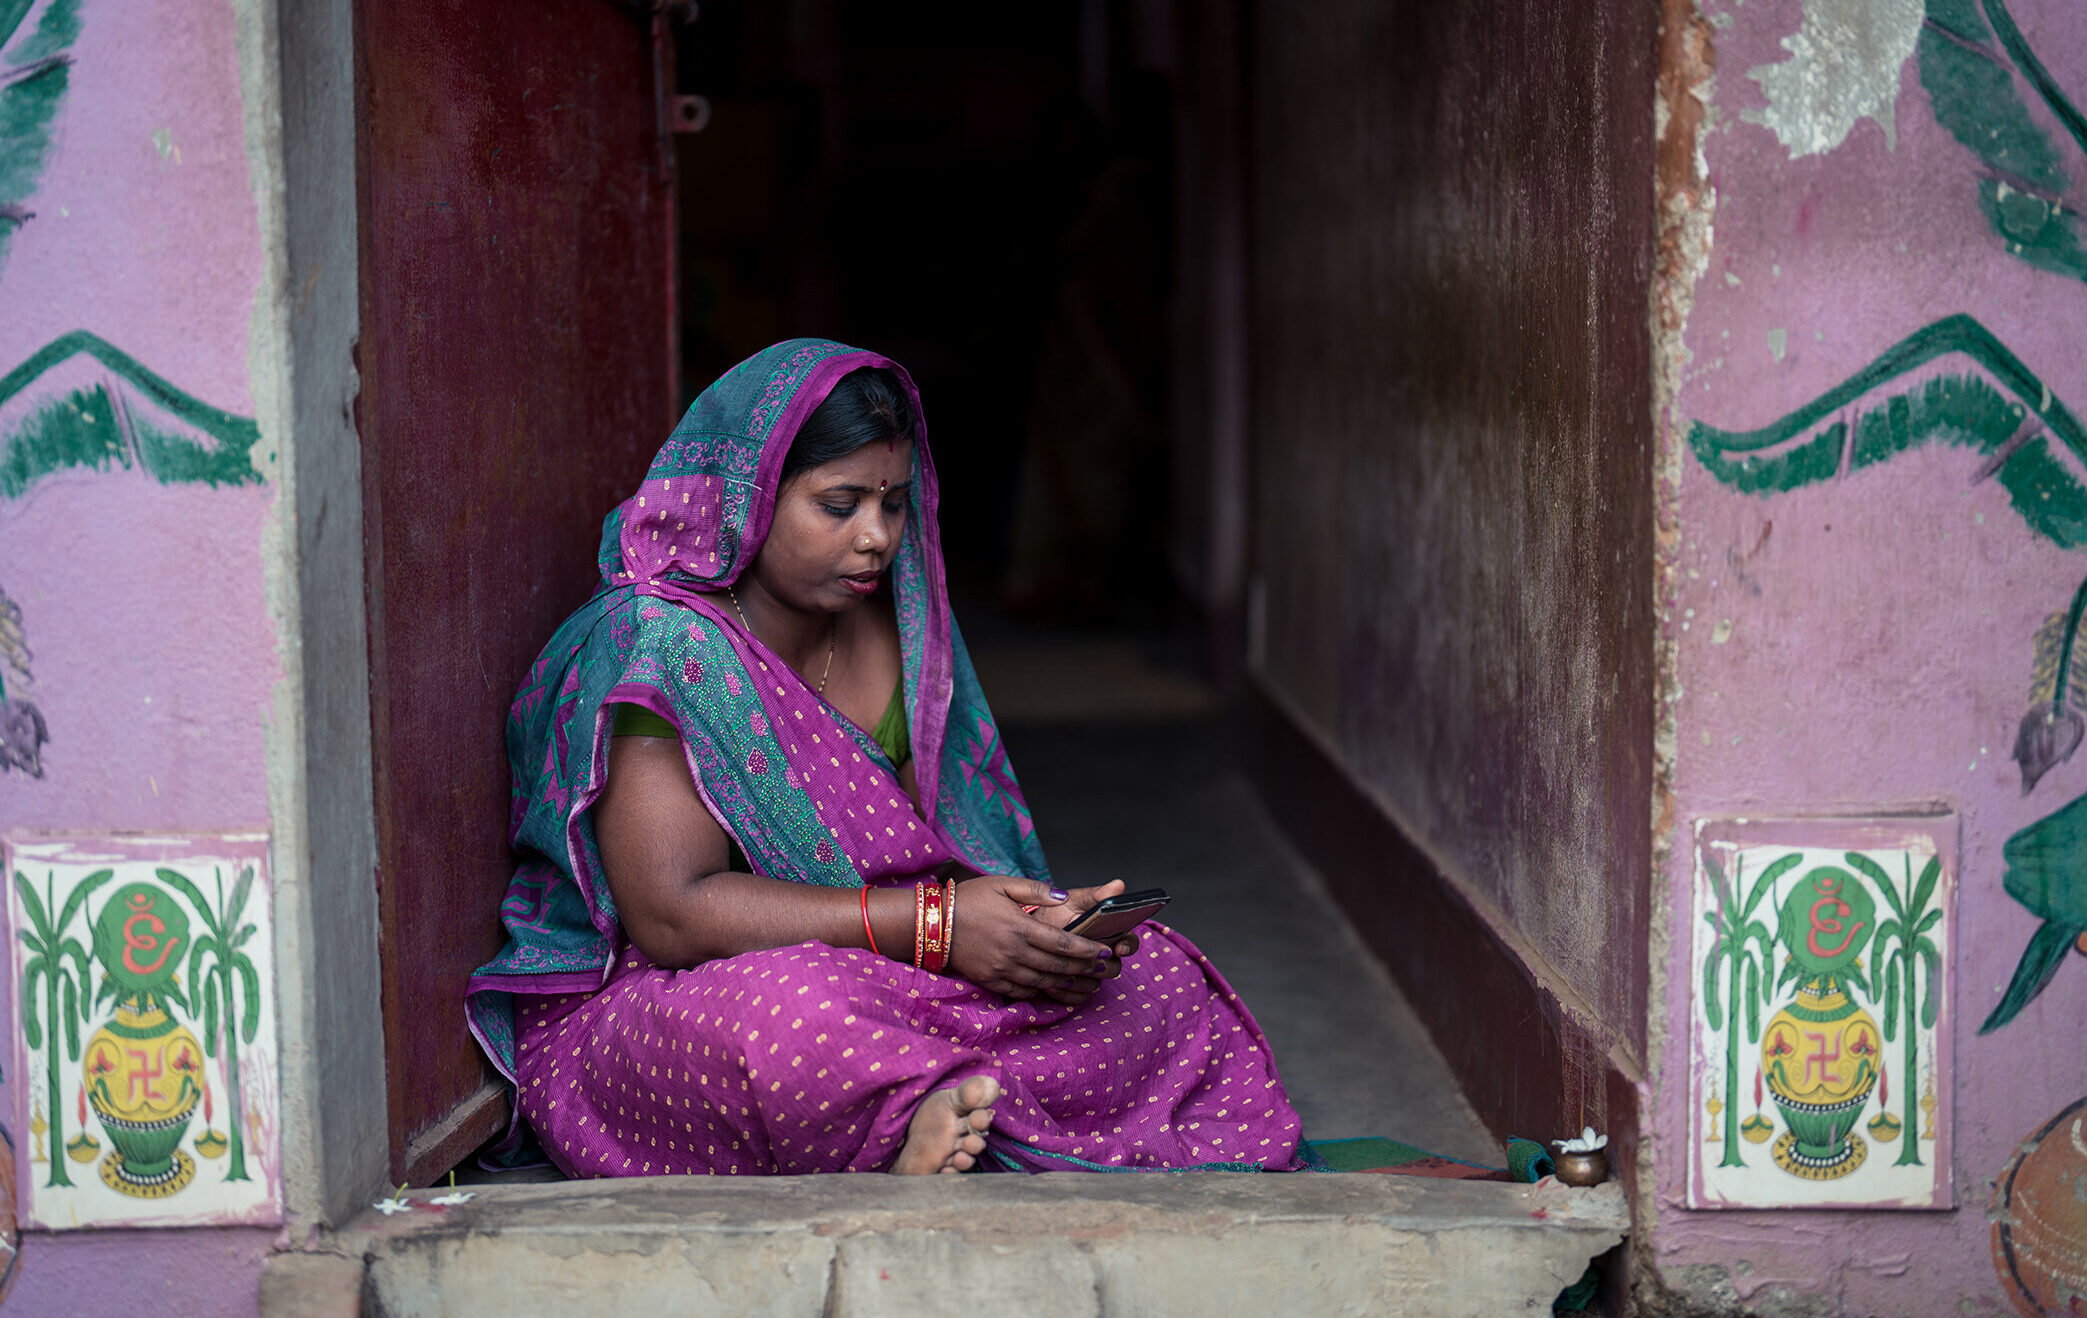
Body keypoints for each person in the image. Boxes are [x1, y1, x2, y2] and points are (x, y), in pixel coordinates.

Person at [467, 339, 1303, 1176]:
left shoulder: (895, 626)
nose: (875, 538)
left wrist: (1032, 926)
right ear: (746, 501)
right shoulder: (662, 647)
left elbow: (935, 859)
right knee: (799, 1019)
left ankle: (930, 1104)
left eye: (893, 504)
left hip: (887, 962)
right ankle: (919, 1109)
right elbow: (673, 915)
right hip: (684, 991)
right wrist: (939, 928)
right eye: (838, 505)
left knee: (1151, 975)